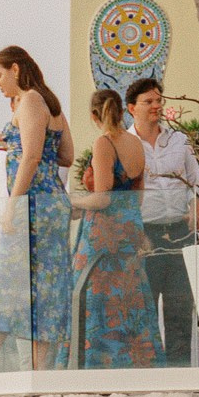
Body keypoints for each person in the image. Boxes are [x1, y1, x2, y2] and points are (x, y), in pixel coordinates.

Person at [0, 49, 75, 371]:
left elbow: (30, 156)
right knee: (48, 284)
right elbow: (67, 155)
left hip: (32, 206)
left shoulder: (29, 100)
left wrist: (11, 204)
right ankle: (41, 369)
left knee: (8, 280)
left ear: (16, 69)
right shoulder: (50, 103)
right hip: (53, 203)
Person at [73, 86, 160, 368]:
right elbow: (140, 193)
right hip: (131, 227)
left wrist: (75, 200)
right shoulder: (136, 143)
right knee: (130, 298)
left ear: (94, 115)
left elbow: (102, 197)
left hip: (104, 232)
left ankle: (101, 364)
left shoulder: (103, 144)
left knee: (96, 298)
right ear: (122, 111)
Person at [130, 79, 199, 366]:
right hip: (145, 235)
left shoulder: (179, 140)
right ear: (132, 108)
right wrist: (136, 233)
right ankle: (150, 374)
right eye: (148, 101)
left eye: (158, 100)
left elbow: (197, 180)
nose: (156, 106)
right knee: (145, 308)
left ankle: (180, 371)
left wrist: (196, 207)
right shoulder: (126, 144)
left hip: (179, 231)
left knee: (180, 308)